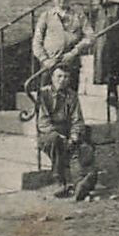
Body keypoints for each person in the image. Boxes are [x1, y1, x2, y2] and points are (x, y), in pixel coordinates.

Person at [36, 64, 97, 201]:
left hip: (67, 133)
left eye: (66, 77)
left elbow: (77, 119)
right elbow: (43, 122)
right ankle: (59, 181)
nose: (62, 80)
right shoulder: (44, 94)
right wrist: (59, 136)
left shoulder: (72, 95)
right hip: (48, 134)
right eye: (59, 76)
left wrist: (74, 136)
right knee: (56, 142)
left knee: (80, 147)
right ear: (52, 78)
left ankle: (80, 184)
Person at [32, 0, 92, 90]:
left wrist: (74, 52)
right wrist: (45, 60)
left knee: (70, 98)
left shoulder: (79, 16)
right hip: (50, 63)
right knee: (47, 97)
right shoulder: (45, 16)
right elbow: (37, 42)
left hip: (71, 63)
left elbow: (90, 36)